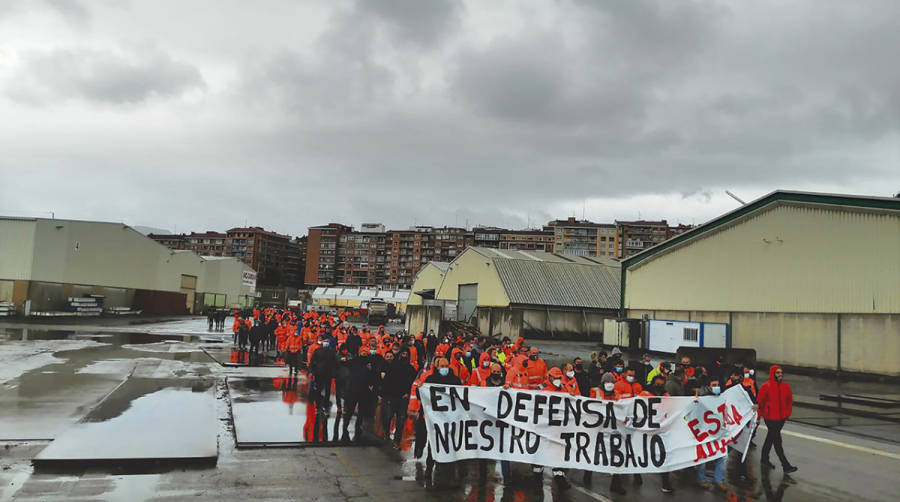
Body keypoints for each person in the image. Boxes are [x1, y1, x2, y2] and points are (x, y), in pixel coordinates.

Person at [757, 365, 797, 473]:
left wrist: (787, 413)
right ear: (773, 374)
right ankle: (786, 465)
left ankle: (764, 459)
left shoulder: (785, 386)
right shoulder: (766, 387)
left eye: (781, 372)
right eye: (777, 373)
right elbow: (760, 402)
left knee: (770, 438)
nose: (780, 375)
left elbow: (789, 401)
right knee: (777, 441)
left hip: (781, 418)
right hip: (770, 418)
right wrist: (758, 416)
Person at [379, 347, 417, 448]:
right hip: (390, 397)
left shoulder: (411, 369)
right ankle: (386, 433)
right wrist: (383, 394)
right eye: (403, 354)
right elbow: (386, 381)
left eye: (406, 354)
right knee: (387, 418)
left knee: (401, 421)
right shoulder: (393, 366)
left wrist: (407, 393)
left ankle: (397, 440)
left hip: (403, 398)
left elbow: (412, 383)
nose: (404, 356)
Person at [695, 376, 728, 491]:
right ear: (708, 387)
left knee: (722, 456)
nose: (716, 387)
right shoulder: (703, 399)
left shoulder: (722, 398)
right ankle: (701, 479)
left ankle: (718, 480)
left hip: (718, 433)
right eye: (714, 385)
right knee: (703, 457)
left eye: (717, 385)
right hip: (705, 432)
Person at [308, 334, 338, 411]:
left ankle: (325, 405)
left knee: (327, 391)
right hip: (319, 374)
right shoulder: (317, 351)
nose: (326, 343)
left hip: (328, 374)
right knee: (318, 390)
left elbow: (335, 363)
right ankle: (318, 406)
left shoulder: (332, 352)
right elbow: (312, 362)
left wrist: (334, 374)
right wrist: (312, 372)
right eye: (325, 341)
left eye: (327, 341)